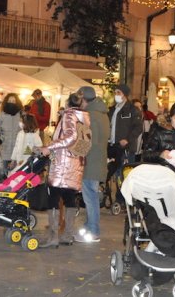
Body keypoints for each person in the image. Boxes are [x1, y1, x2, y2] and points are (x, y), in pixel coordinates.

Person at [37, 93, 87, 248]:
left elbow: (70, 137)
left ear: (67, 102)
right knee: (69, 197)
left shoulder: (69, 116)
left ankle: (53, 237)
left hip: (62, 164)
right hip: (76, 163)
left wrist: (48, 147)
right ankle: (67, 235)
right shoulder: (84, 116)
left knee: (54, 197)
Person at [75, 86, 110, 243]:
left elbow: (86, 143)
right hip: (98, 160)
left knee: (90, 198)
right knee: (91, 196)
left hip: (90, 162)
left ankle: (93, 231)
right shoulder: (102, 114)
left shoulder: (89, 116)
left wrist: (74, 153)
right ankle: (89, 227)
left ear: (83, 99)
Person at [108, 84, 143, 164]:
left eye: (118, 93)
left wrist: (127, 140)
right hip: (113, 146)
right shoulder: (112, 109)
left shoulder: (133, 110)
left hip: (126, 148)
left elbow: (138, 127)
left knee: (125, 172)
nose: (116, 95)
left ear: (125, 94)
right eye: (115, 93)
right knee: (113, 171)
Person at [0, 92, 22, 171]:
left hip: (17, 146)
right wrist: (1, 138)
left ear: (17, 102)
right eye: (10, 101)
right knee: (3, 169)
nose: (11, 103)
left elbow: (25, 129)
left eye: (13, 101)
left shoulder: (20, 114)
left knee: (16, 171)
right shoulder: (1, 114)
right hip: (4, 145)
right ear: (6, 102)